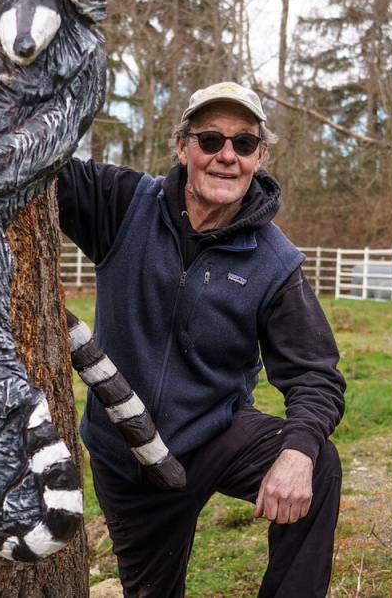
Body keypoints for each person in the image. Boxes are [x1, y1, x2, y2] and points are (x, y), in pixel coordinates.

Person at [57, 82, 346, 597]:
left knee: (318, 462)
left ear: (260, 156)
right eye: (210, 140)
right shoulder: (123, 205)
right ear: (182, 146)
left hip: (214, 437)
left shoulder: (274, 262)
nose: (226, 156)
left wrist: (297, 454)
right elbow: (42, 166)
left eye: (244, 143)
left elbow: (315, 374)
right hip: (126, 453)